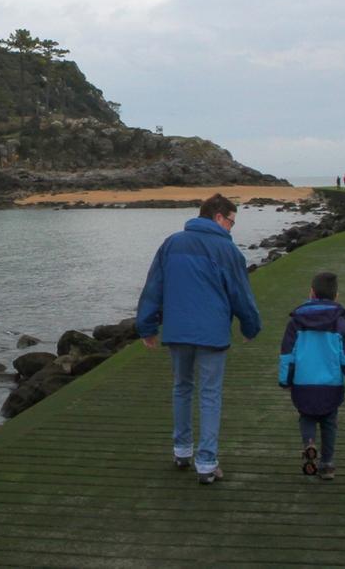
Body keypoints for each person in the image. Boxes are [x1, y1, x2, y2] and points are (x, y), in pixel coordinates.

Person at [137, 194, 262, 485]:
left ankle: (181, 451)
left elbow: (154, 286)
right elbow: (241, 295)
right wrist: (250, 326)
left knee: (182, 387)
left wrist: (147, 326)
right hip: (212, 333)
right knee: (209, 394)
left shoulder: (171, 243)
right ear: (219, 217)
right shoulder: (227, 250)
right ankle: (206, 463)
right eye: (232, 221)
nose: (232, 228)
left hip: (178, 331)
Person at [278, 272, 345, 480]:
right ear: (336, 296)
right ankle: (327, 464)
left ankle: (309, 445)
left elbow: (287, 356)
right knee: (329, 421)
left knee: (306, 416)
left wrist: (285, 380)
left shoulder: (296, 322)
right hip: (331, 385)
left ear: (311, 293)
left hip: (303, 383)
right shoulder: (341, 325)